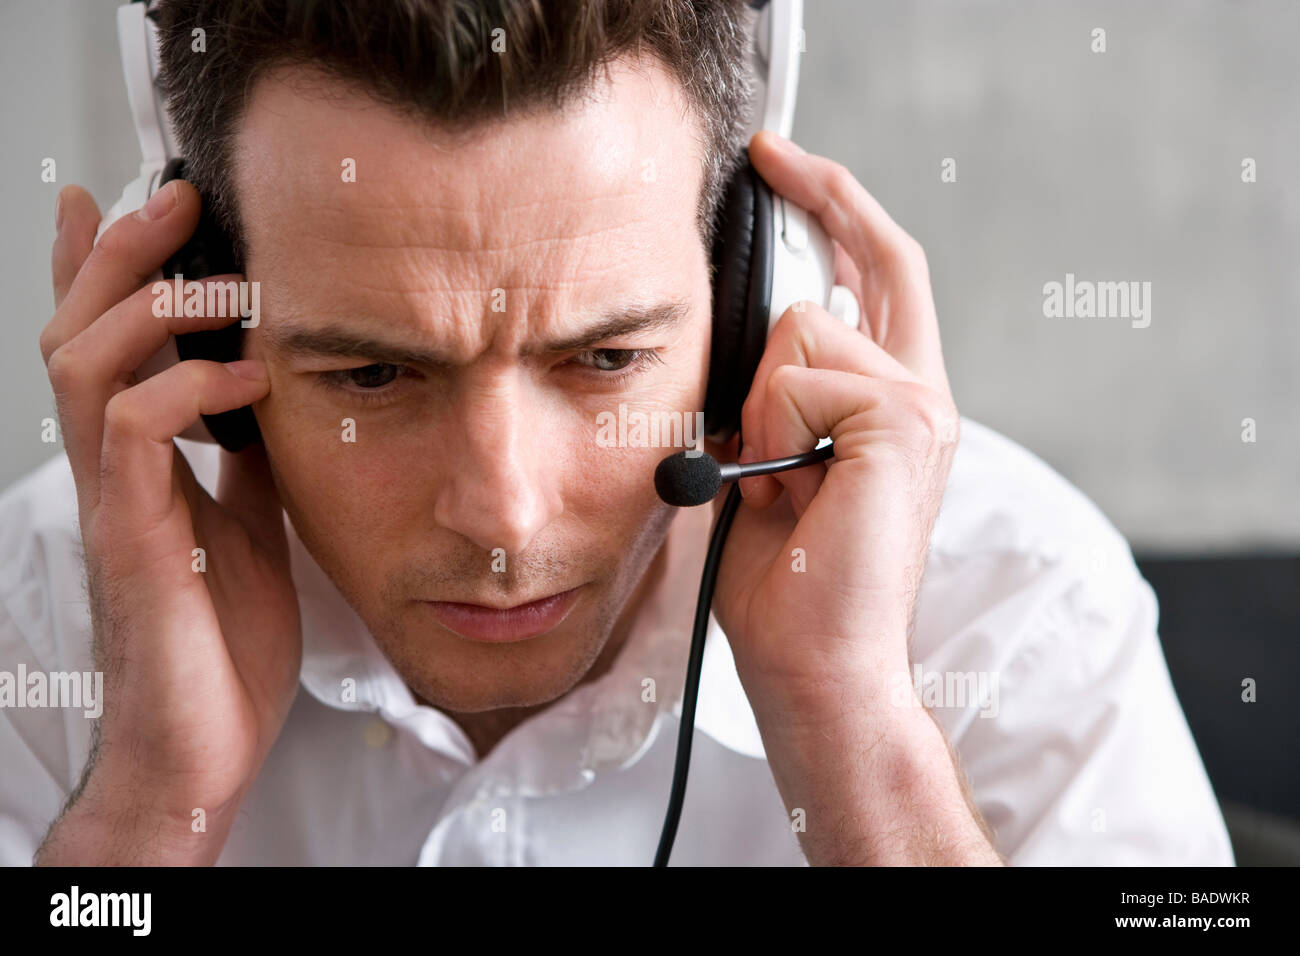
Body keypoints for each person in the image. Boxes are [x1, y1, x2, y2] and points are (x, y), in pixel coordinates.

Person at [2, 0, 1231, 865]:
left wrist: (861, 755)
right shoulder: (42, 609)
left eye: (604, 357)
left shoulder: (1016, 601)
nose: (503, 514)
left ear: (756, 293)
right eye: (373, 373)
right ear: (205, 326)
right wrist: (149, 811)